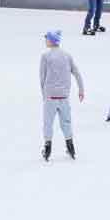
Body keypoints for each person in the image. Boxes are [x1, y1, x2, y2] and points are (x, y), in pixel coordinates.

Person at [40, 29, 85, 162]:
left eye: (46, 38)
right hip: (64, 96)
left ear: (51, 40)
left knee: (48, 122)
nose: (45, 40)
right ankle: (70, 146)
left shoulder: (45, 56)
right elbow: (77, 73)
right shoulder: (67, 55)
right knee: (66, 122)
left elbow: (42, 77)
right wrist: (81, 89)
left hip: (51, 96)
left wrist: (44, 95)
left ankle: (47, 147)